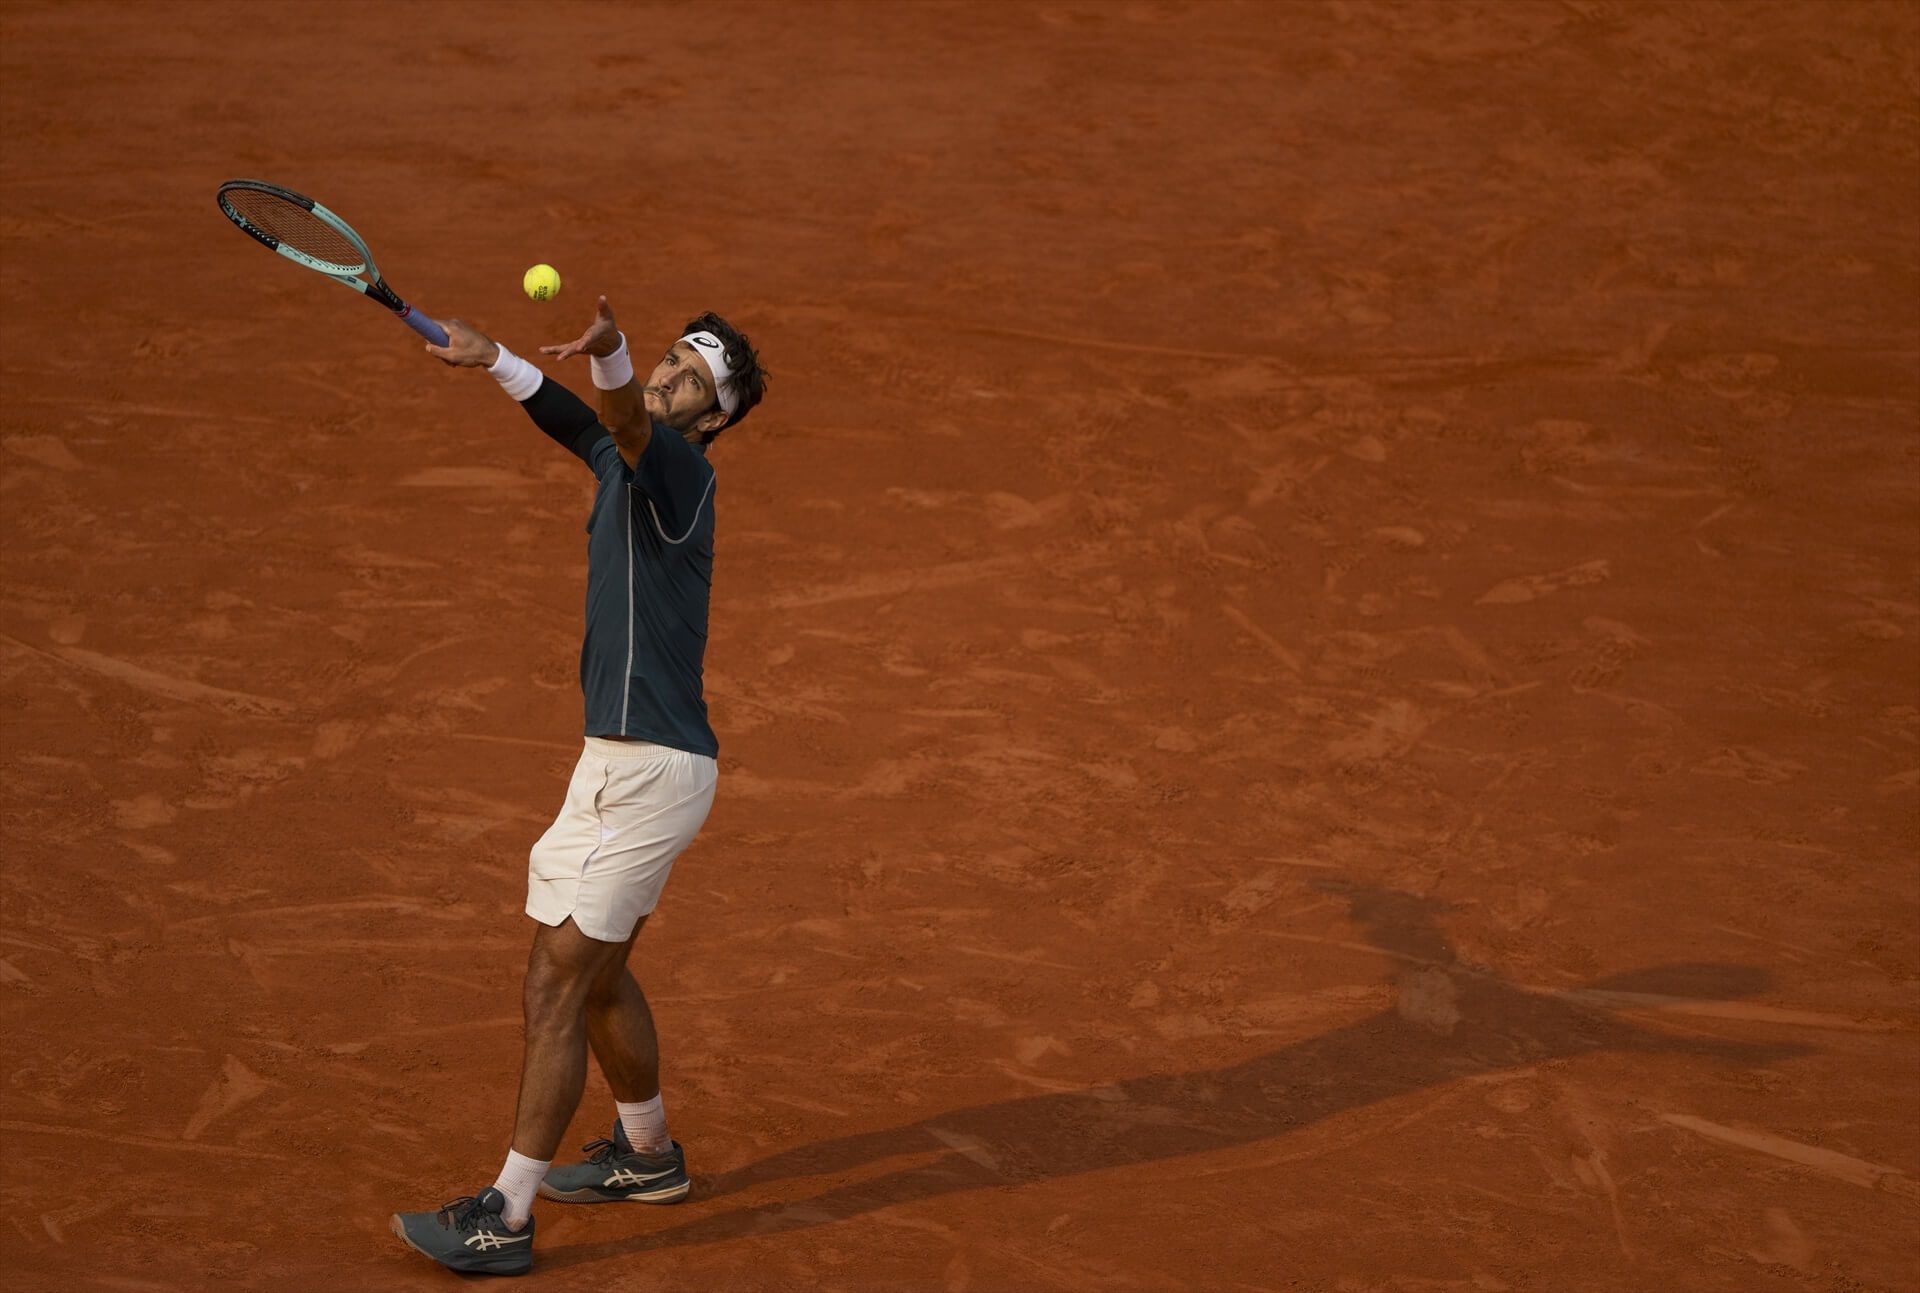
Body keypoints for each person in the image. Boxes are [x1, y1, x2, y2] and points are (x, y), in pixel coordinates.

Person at [388, 297, 767, 1276]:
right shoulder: (622, 458)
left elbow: (623, 419)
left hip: (649, 770)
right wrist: (493, 356)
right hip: (616, 762)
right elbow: (577, 421)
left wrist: (613, 353)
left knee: (555, 981)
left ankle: (504, 1218)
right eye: (674, 356)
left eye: (695, 376)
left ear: (711, 417)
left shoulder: (679, 470)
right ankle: (649, 1158)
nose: (673, 376)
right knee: (593, 979)